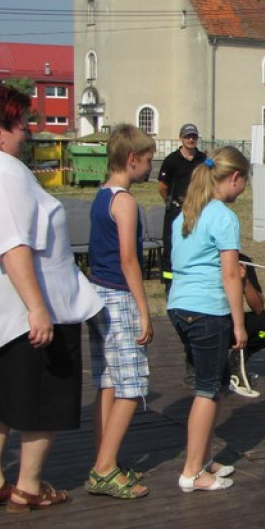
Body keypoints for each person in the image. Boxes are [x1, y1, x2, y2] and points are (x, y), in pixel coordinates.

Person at [0, 83, 103, 512]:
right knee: (41, 397)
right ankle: (28, 485)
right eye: (22, 125)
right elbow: (12, 244)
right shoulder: (3, 173)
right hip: (20, 311)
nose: (27, 133)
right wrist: (37, 308)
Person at [167, 146, 249, 492]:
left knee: (211, 385)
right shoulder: (224, 217)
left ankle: (203, 457)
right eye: (244, 183)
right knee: (208, 390)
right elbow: (230, 275)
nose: (244, 190)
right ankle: (191, 472)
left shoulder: (186, 213)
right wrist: (239, 324)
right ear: (234, 178)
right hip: (207, 310)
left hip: (179, 307)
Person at [84, 124, 156, 500]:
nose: (149, 167)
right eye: (147, 161)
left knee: (108, 381)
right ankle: (105, 469)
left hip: (98, 295)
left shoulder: (101, 196)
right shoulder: (125, 201)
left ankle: (103, 459)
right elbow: (130, 259)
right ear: (132, 160)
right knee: (131, 385)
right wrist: (144, 310)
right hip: (118, 297)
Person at [225, 252, 265, 398]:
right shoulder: (204, 258)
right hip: (205, 322)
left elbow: (258, 308)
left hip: (231, 324)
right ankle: (192, 364)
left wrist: (245, 281)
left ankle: (238, 358)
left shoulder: (243, 262)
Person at [158, 123, 207, 292]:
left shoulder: (204, 160)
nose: (190, 139)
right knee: (170, 246)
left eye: (193, 136)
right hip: (176, 209)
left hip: (198, 209)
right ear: (181, 138)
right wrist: (171, 203)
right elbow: (162, 186)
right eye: (187, 136)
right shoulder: (171, 160)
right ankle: (169, 284)